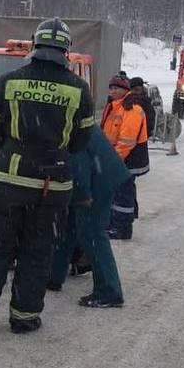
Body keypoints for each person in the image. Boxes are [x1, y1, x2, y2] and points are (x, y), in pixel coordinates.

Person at [0, 18, 94, 334]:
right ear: (66, 51)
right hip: (53, 186)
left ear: (35, 45)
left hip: (9, 181)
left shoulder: (11, 82)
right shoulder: (78, 90)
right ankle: (24, 316)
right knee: (38, 250)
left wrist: (12, 148)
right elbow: (81, 142)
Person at [47, 129, 128, 307]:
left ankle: (109, 290)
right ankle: (53, 275)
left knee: (91, 232)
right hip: (97, 172)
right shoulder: (65, 117)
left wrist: (83, 195)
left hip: (96, 180)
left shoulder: (68, 128)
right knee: (67, 225)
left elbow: (78, 164)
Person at [101, 75, 149, 240]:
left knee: (123, 194)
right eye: (111, 88)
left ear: (125, 90)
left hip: (127, 159)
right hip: (117, 157)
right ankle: (114, 223)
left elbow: (127, 140)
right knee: (116, 192)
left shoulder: (131, 108)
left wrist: (114, 159)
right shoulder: (114, 105)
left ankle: (122, 228)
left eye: (117, 88)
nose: (113, 91)